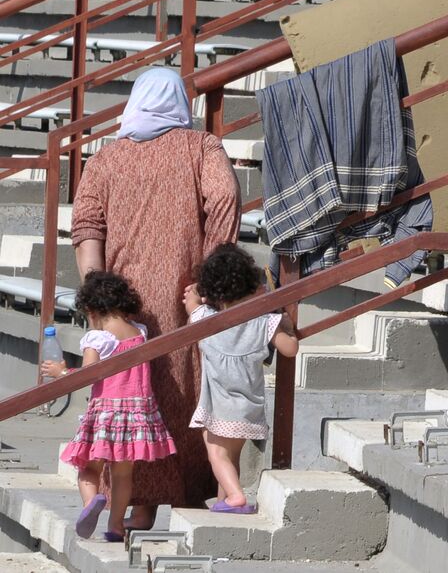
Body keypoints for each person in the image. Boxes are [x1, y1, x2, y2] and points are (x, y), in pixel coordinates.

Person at [70, 66, 241, 525]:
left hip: (122, 305)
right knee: (185, 388)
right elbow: (224, 199)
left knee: (126, 397)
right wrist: (210, 275)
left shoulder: (107, 158)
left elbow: (87, 225)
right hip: (186, 296)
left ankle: (134, 506)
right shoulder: (201, 146)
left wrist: (98, 298)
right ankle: (188, 497)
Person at [42, 272, 178, 542]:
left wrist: (61, 373)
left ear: (92, 309)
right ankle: (116, 525)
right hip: (137, 414)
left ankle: (91, 502)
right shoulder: (139, 332)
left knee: (88, 468)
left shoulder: (98, 338)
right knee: (122, 475)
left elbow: (88, 375)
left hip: (106, 414)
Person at [184, 244, 299, 513]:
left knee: (216, 453)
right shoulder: (263, 323)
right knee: (230, 458)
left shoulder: (204, 319)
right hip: (249, 408)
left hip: (220, 406)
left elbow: (192, 306)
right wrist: (286, 326)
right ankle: (225, 501)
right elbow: (290, 349)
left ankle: (236, 497)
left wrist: (195, 295)